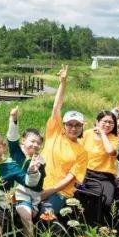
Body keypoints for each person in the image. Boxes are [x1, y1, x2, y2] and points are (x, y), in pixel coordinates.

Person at [39, 66, 89, 228]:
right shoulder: (55, 133)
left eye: (77, 125)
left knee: (45, 219)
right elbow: (56, 108)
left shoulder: (81, 151)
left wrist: (50, 191)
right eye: (70, 124)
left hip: (59, 192)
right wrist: (62, 82)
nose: (73, 128)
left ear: (82, 127)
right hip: (38, 184)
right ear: (64, 125)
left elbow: (71, 177)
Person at [78, 110, 119, 227]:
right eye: (104, 121)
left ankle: (104, 226)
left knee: (106, 202)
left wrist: (102, 135)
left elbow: (110, 151)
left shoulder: (114, 138)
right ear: (97, 122)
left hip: (104, 176)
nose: (107, 125)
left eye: (111, 123)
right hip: (85, 173)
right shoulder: (87, 133)